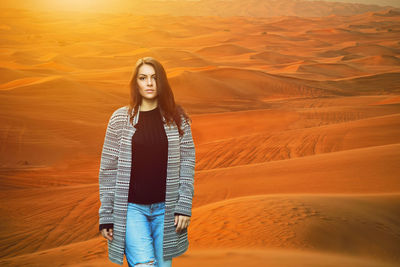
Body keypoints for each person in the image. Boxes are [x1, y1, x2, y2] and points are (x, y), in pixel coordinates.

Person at [98, 57, 196, 266]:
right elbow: (108, 170)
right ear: (136, 83)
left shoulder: (177, 118)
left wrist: (184, 205)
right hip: (132, 209)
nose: (149, 83)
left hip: (167, 210)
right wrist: (106, 214)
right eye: (143, 78)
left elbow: (187, 163)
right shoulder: (119, 120)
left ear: (162, 82)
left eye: (154, 78)